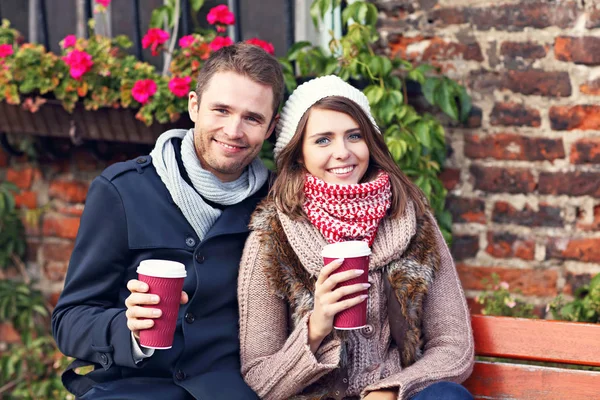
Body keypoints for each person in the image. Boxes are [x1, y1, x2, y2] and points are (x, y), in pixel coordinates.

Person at [51, 43, 284, 399]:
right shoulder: (123, 190)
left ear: (271, 128)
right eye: (220, 110)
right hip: (130, 388)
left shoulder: (278, 202)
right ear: (193, 105)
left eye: (252, 118)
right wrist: (126, 328)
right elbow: (69, 320)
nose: (234, 130)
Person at [237, 75, 474, 400]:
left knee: (447, 396)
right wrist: (316, 328)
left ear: (370, 142)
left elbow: (454, 346)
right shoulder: (272, 237)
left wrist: (391, 390)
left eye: (354, 136)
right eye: (323, 140)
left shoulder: (412, 219)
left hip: (397, 395)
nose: (343, 152)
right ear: (298, 153)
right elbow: (259, 379)